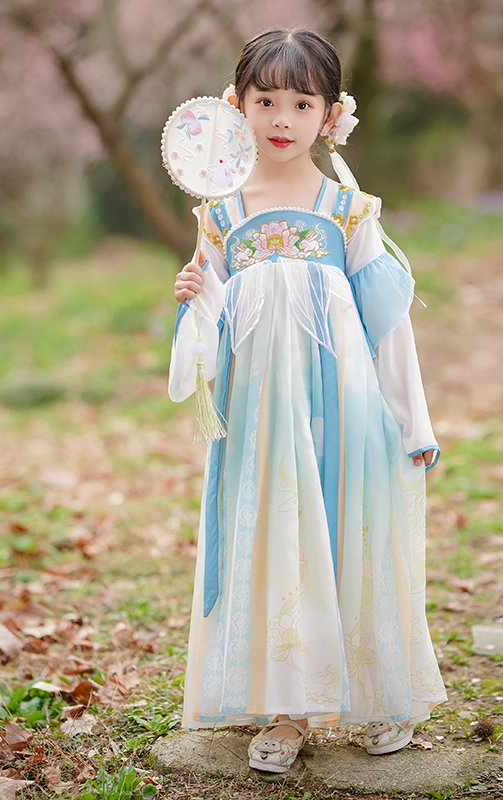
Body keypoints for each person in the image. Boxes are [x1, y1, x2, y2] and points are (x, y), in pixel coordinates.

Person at [168, 28, 446, 774]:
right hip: (264, 422)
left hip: (345, 411)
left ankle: (378, 695)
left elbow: (387, 326)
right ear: (238, 107)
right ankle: (285, 710)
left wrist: (410, 420)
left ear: (330, 115)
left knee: (349, 534)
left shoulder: (347, 209)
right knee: (278, 545)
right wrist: (199, 299)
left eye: (300, 102)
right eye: (265, 101)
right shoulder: (219, 214)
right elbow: (213, 343)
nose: (281, 118)